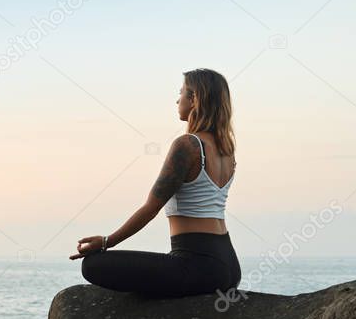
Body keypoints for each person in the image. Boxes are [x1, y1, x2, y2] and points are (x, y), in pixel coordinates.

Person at [70, 68, 242, 297]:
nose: (177, 99)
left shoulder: (187, 145)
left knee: (92, 265)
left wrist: (105, 242)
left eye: (181, 93)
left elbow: (150, 208)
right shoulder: (226, 151)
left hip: (199, 266)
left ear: (194, 100)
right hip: (228, 265)